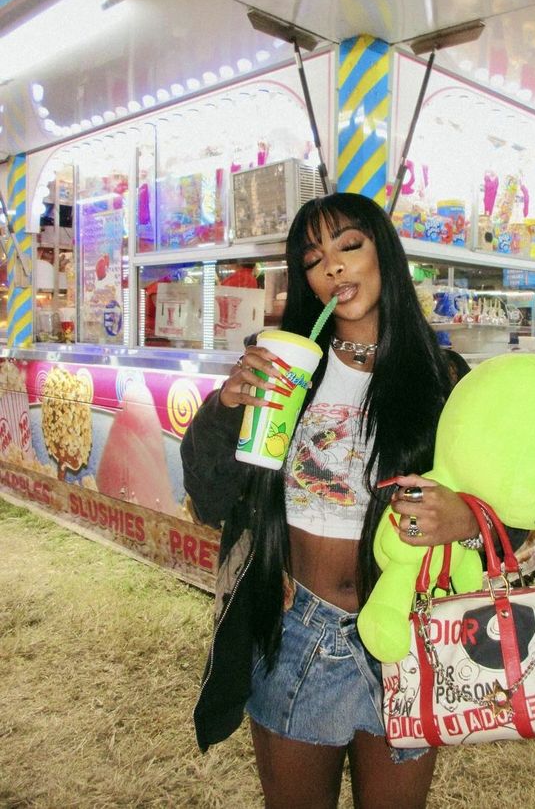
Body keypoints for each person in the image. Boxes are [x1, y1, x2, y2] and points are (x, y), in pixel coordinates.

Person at [181, 192, 484, 809]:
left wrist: (469, 518)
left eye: (350, 245)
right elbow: (208, 497)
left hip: (406, 635)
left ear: (384, 255)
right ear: (307, 280)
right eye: (315, 258)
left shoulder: (443, 377)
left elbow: (512, 505)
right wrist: (224, 408)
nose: (335, 267)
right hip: (296, 633)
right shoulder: (285, 368)